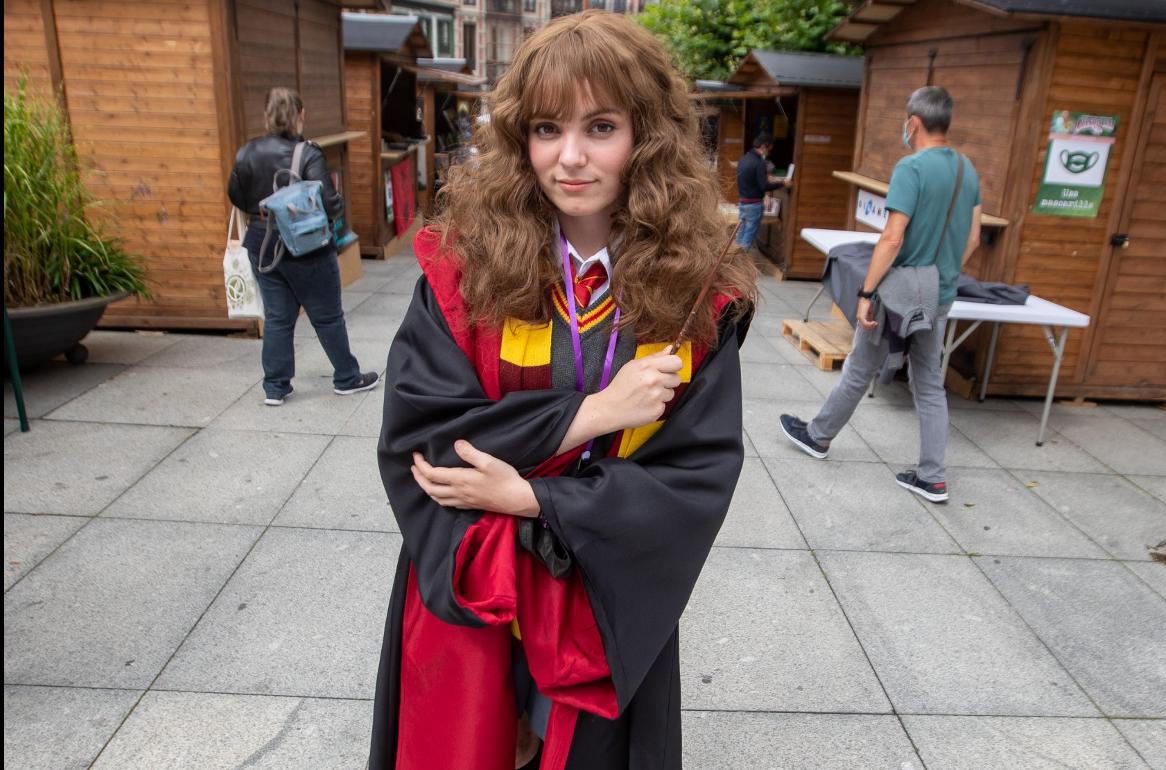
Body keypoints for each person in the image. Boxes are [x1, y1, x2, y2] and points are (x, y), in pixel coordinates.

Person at [367, 11, 756, 770]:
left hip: (600, 602)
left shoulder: (693, 301)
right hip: (469, 587)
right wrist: (595, 414)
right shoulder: (465, 275)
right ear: (521, 142)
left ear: (646, 138)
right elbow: (425, 441)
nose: (570, 158)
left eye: (601, 127)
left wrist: (537, 499)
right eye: (547, 129)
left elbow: (695, 479)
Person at [779, 86, 982, 503]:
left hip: (901, 292)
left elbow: (891, 239)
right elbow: (974, 238)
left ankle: (818, 437)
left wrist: (867, 291)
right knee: (928, 384)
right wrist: (942, 273)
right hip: (938, 294)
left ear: (913, 123)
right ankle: (933, 477)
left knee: (860, 367)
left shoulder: (912, 168)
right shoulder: (967, 170)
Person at [227, 87, 378, 405]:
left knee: (278, 316)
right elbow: (327, 201)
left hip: (262, 242)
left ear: (266, 116)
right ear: (301, 115)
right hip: (306, 246)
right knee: (327, 316)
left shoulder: (247, 151)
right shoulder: (307, 153)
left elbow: (236, 195)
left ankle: (275, 387)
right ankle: (347, 377)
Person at [734, 132, 791, 250]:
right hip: (754, 205)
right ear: (764, 146)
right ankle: (740, 264)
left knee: (740, 236)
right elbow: (763, 186)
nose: (769, 153)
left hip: (743, 202)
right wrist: (782, 183)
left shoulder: (744, 159)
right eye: (769, 149)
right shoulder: (759, 163)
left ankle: (733, 263)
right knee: (747, 239)